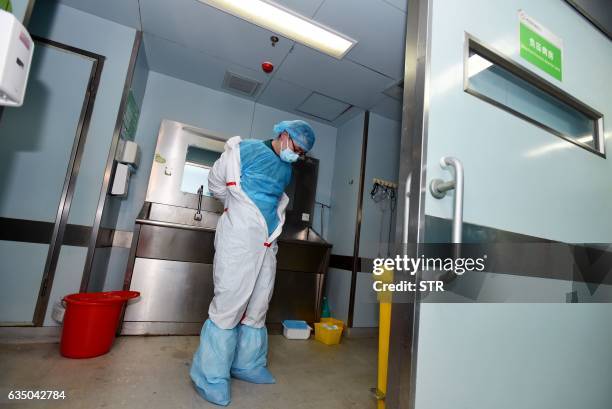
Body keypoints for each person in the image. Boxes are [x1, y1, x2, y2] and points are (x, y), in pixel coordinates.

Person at [190, 120, 316, 406]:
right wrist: (234, 206)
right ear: (284, 136)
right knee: (229, 303)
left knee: (259, 303)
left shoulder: (285, 169)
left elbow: (273, 202)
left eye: (301, 154)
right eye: (296, 148)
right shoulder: (244, 150)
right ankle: (210, 377)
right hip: (239, 238)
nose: (296, 156)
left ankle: (247, 365)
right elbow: (216, 182)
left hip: (267, 241)